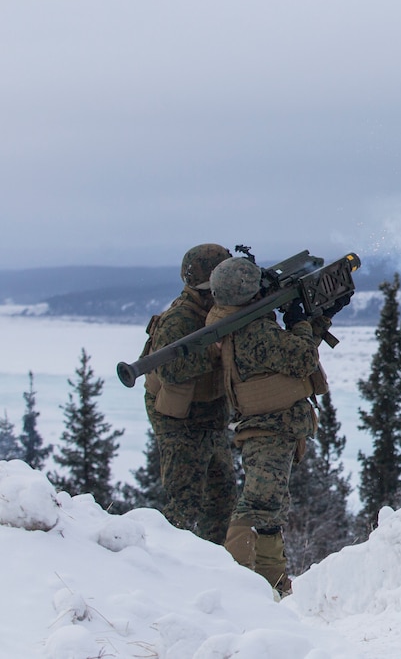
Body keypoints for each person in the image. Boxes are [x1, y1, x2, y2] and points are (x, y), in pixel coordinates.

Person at [207, 255, 345, 596]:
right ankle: (238, 585)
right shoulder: (254, 329)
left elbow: (288, 354)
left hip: (270, 426)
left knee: (270, 508)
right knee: (258, 504)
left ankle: (272, 583)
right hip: (267, 428)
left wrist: (318, 318)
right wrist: (300, 321)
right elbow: (300, 358)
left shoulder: (229, 318)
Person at [142, 243, 237, 543]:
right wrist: (211, 351)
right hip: (180, 422)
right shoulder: (181, 319)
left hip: (209, 418)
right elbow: (167, 370)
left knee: (222, 497)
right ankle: (171, 567)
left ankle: (214, 562)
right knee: (184, 503)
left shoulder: (216, 310)